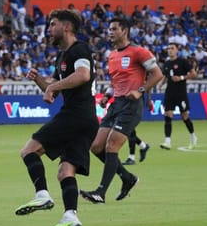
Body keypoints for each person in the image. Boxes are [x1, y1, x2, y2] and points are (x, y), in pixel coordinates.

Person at [14, 9, 98, 226]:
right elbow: (53, 93)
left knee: (29, 150)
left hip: (76, 114)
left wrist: (52, 86)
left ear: (67, 27)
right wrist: (41, 82)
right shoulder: (62, 57)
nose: (48, 29)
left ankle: (42, 194)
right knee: (65, 171)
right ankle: (70, 217)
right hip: (86, 119)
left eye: (52, 24)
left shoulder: (79, 49)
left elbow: (82, 75)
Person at [80, 17, 163, 204]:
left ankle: (101, 192)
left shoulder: (139, 52)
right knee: (96, 147)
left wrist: (140, 91)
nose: (110, 32)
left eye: (114, 29)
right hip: (116, 104)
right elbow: (115, 82)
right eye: (109, 29)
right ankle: (127, 178)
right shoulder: (112, 55)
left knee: (111, 146)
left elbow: (158, 74)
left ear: (125, 30)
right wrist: (107, 95)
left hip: (131, 106)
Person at [159, 43, 198, 150]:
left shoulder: (183, 61)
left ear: (177, 50)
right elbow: (166, 76)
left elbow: (194, 74)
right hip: (169, 93)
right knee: (168, 115)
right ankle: (167, 141)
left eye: (172, 48)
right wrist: (162, 84)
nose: (170, 50)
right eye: (168, 48)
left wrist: (181, 77)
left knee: (184, 116)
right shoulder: (166, 63)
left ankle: (192, 136)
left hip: (181, 93)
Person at [98, 89, 151, 166]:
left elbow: (149, 83)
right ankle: (143, 146)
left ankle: (132, 157)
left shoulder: (139, 78)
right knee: (126, 131)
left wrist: (149, 99)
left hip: (134, 105)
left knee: (128, 131)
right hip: (122, 104)